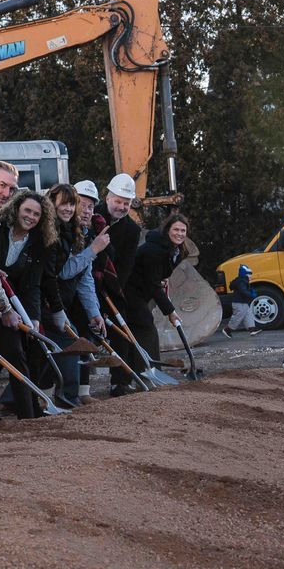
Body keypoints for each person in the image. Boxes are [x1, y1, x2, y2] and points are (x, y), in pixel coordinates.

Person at [0, 188, 59, 419]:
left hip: (17, 304)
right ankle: (27, 414)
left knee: (13, 354)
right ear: (16, 208)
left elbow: (33, 284)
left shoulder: (40, 243)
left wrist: (33, 318)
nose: (31, 217)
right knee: (12, 351)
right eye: (27, 210)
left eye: (37, 214)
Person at [47, 182, 111, 404]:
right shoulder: (58, 231)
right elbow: (64, 271)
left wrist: (94, 311)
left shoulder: (83, 233)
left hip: (63, 300)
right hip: (47, 299)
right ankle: (66, 397)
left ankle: (65, 395)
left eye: (91, 207)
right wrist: (94, 250)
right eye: (81, 205)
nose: (86, 211)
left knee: (64, 343)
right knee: (66, 342)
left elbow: (85, 278)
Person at [120, 212, 191, 367]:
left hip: (142, 293)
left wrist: (161, 278)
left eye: (183, 231)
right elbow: (153, 285)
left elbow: (155, 275)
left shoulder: (176, 251)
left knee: (136, 330)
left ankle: (137, 371)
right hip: (129, 292)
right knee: (146, 327)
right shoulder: (154, 250)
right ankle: (150, 370)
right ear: (167, 231)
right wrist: (170, 312)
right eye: (176, 230)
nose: (179, 234)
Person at [96, 173, 146, 392]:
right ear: (108, 198)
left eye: (126, 203)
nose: (121, 206)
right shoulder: (91, 215)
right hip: (85, 281)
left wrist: (112, 296)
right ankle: (77, 387)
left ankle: (121, 381)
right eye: (118, 201)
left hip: (113, 284)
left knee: (121, 330)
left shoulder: (132, 230)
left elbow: (125, 266)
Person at [223, 263, 261, 337]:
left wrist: (250, 291)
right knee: (238, 316)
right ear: (245, 274)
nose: (251, 275)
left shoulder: (242, 281)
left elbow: (244, 290)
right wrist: (251, 295)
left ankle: (252, 329)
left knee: (248, 314)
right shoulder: (241, 282)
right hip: (239, 302)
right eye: (249, 273)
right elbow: (243, 291)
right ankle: (228, 329)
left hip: (243, 302)